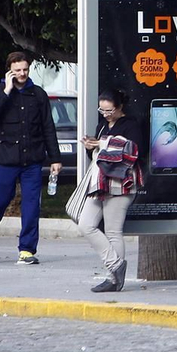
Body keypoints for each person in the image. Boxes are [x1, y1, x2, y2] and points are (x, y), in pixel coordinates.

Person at [0, 52, 61, 265]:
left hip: (32, 160)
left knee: (32, 206)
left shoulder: (38, 95)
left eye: (25, 69)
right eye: (17, 70)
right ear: (9, 71)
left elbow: (48, 127)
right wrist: (6, 91)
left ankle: (26, 250)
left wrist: (55, 158)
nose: (22, 74)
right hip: (5, 160)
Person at [76, 88, 147, 292]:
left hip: (121, 183)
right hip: (100, 183)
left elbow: (135, 150)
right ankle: (116, 264)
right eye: (102, 110)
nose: (106, 115)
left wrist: (103, 143)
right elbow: (98, 158)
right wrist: (91, 147)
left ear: (119, 107)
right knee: (85, 224)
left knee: (113, 231)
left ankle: (114, 278)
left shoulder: (130, 125)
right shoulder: (102, 126)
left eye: (110, 111)